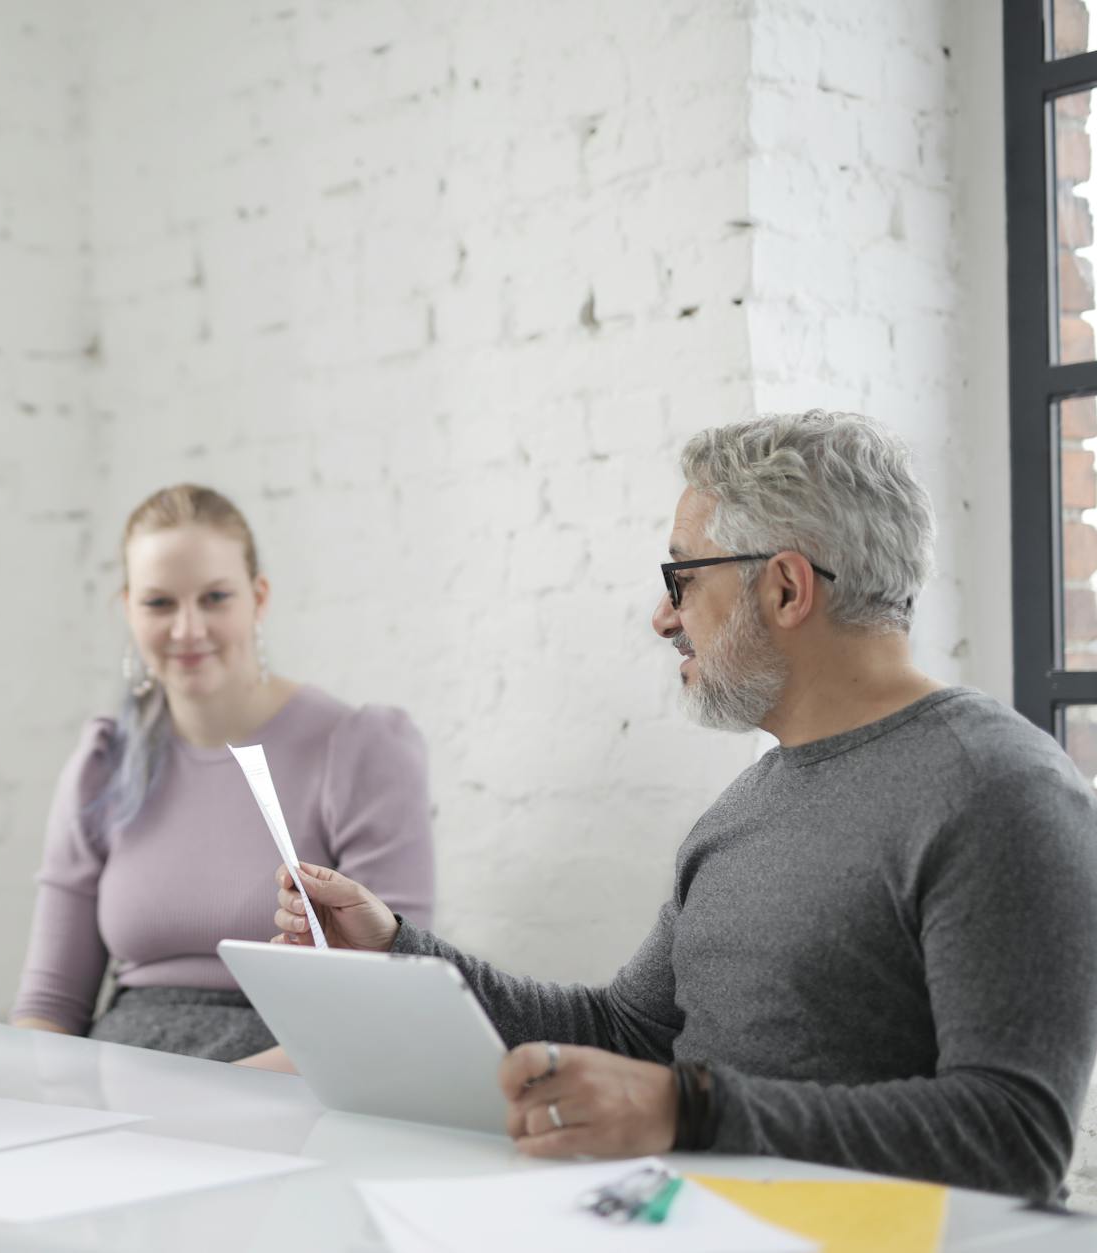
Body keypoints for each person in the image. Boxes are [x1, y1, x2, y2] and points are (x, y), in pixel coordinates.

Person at [263, 411, 1097, 1201]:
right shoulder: (745, 806)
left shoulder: (997, 790)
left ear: (784, 589)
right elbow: (627, 1030)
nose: (662, 616)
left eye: (682, 577)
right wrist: (397, 949)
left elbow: (1017, 1135)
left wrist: (690, 1110)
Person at [11, 484, 434, 1061]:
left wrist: (203, 1104)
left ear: (258, 599)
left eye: (215, 598)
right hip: (120, 1081)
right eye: (159, 603)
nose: (187, 630)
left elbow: (387, 999)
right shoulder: (104, 762)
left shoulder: (361, 749)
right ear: (127, 609)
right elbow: (50, 1004)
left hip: (287, 1076)